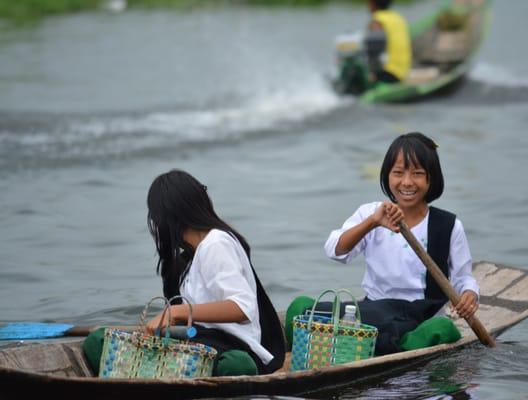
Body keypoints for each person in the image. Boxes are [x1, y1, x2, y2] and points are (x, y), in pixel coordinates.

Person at [83, 169, 285, 376]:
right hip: (194, 343)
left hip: (231, 348)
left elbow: (243, 308)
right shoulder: (183, 261)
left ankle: (151, 376)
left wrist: (176, 312)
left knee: (235, 365)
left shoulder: (216, 243)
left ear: (164, 218)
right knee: (97, 341)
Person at [318, 132, 479, 355]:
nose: (407, 182)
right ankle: (385, 342)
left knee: (442, 329)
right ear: (387, 176)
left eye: (417, 174)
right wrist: (373, 222)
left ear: (431, 179)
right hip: (375, 309)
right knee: (304, 308)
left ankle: (387, 343)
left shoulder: (449, 225)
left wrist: (470, 294)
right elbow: (335, 250)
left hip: (421, 316)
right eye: (398, 173)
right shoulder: (371, 213)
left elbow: (463, 278)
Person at [365, 0, 412, 84]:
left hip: (389, 73)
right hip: (403, 72)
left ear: (373, 4)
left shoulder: (377, 19)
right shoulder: (398, 17)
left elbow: (373, 50)